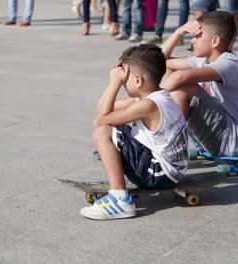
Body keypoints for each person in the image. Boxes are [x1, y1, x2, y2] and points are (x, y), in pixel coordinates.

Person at [80, 44, 189, 220]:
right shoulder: (155, 96)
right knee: (108, 126)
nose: (123, 82)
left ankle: (120, 199)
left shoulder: (148, 105)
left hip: (158, 174)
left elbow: (102, 119)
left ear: (138, 80)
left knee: (103, 131)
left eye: (125, 79)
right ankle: (118, 190)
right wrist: (117, 83)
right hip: (169, 170)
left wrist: (114, 82)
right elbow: (102, 109)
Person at [160, 11, 238, 157]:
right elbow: (160, 63)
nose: (193, 41)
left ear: (215, 41)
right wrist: (178, 33)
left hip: (230, 141)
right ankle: (166, 142)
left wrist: (147, 103)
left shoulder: (230, 64)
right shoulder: (203, 60)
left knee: (183, 89)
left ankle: (168, 153)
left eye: (197, 36)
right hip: (218, 134)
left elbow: (180, 77)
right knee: (169, 73)